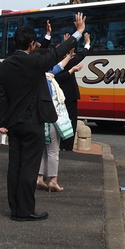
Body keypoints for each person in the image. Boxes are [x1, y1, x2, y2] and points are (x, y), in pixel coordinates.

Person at [0, 13, 85, 222]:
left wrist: (3, 123)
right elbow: (57, 53)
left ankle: (15, 208)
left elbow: (2, 96)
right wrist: (78, 33)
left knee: (15, 166)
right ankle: (25, 210)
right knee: (29, 166)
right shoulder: (35, 62)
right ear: (30, 44)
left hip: (13, 124)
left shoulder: (6, 65)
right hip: (32, 121)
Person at [37, 55, 73, 193]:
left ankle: (39, 177)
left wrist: (69, 55)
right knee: (53, 151)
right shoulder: (49, 79)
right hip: (51, 118)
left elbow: (60, 66)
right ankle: (53, 180)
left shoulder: (39, 77)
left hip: (40, 119)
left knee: (42, 150)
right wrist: (69, 53)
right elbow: (60, 66)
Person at [54, 32, 90, 151]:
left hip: (60, 96)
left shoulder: (54, 63)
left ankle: (62, 145)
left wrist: (67, 43)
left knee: (61, 120)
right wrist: (87, 43)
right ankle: (66, 146)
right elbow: (83, 54)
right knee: (70, 121)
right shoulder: (69, 63)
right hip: (67, 96)